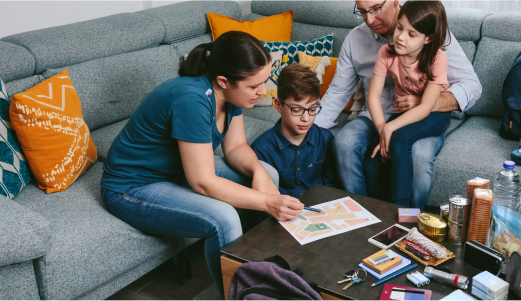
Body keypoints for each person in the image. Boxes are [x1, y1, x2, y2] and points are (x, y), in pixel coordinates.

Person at [99, 31, 304, 294]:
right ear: (223, 81)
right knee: (223, 218)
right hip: (131, 187)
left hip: (175, 171)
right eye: (254, 86)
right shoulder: (192, 99)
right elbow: (203, 182)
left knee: (268, 173)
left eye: (263, 82)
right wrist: (267, 202)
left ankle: (263, 269)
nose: (262, 92)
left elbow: (237, 147)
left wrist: (257, 171)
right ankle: (236, 294)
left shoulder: (230, 95)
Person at [314, 0, 481, 208]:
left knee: (416, 155)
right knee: (344, 143)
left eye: (376, 9)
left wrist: (426, 102)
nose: (370, 19)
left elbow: (472, 86)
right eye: (362, 12)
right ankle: (364, 217)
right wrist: (307, 127)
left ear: (394, 1)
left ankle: (409, 221)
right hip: (377, 115)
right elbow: (339, 91)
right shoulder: (359, 41)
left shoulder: (430, 30)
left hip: (423, 115)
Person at [368, 0, 451, 206]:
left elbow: (425, 107)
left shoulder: (437, 59)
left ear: (428, 38)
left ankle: (401, 213)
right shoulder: (386, 53)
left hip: (433, 113)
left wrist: (391, 127)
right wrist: (382, 131)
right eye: (399, 28)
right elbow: (373, 97)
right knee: (375, 157)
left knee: (400, 140)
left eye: (411, 34)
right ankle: (381, 212)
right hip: (403, 111)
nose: (401, 37)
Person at [251, 64, 337, 198]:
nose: (306, 118)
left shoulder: (325, 139)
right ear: (278, 105)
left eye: (312, 109)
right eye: (297, 110)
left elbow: (331, 187)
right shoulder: (261, 149)